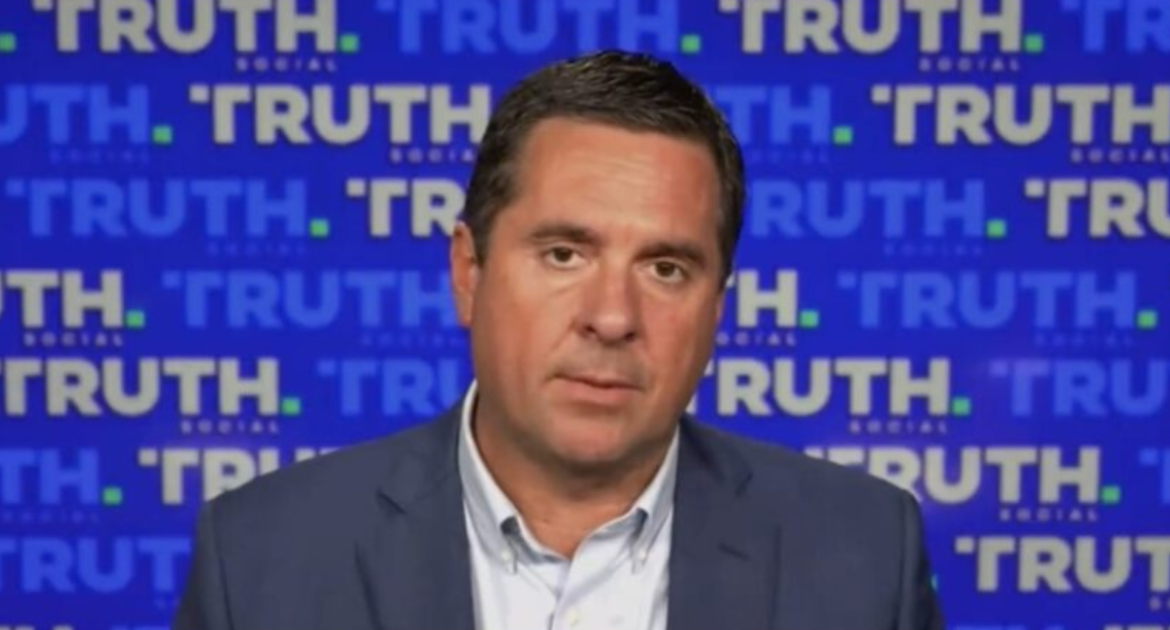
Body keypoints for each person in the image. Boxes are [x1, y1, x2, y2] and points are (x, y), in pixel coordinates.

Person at [173, 49, 944, 630]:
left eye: (666, 269)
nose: (611, 316)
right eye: (564, 255)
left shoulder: (865, 556)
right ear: (468, 272)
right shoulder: (261, 558)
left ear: (717, 309)